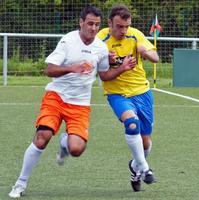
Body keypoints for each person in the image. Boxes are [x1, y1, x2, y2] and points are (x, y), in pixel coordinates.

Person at [9, 5, 136, 198]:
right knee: (43, 135)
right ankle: (20, 183)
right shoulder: (68, 41)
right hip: (56, 97)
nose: (93, 28)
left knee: (76, 149)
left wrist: (122, 68)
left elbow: (104, 75)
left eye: (97, 25)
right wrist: (72, 68)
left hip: (80, 104)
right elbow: (49, 70)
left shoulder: (101, 48)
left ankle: (65, 143)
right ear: (81, 22)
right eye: (90, 24)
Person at [97, 5, 159, 192]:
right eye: (119, 26)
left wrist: (145, 51)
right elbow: (104, 77)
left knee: (146, 142)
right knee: (132, 123)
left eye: (126, 26)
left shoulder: (135, 35)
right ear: (110, 23)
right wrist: (113, 63)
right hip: (118, 94)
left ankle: (135, 166)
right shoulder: (101, 40)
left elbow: (155, 58)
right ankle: (146, 169)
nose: (123, 31)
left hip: (142, 92)